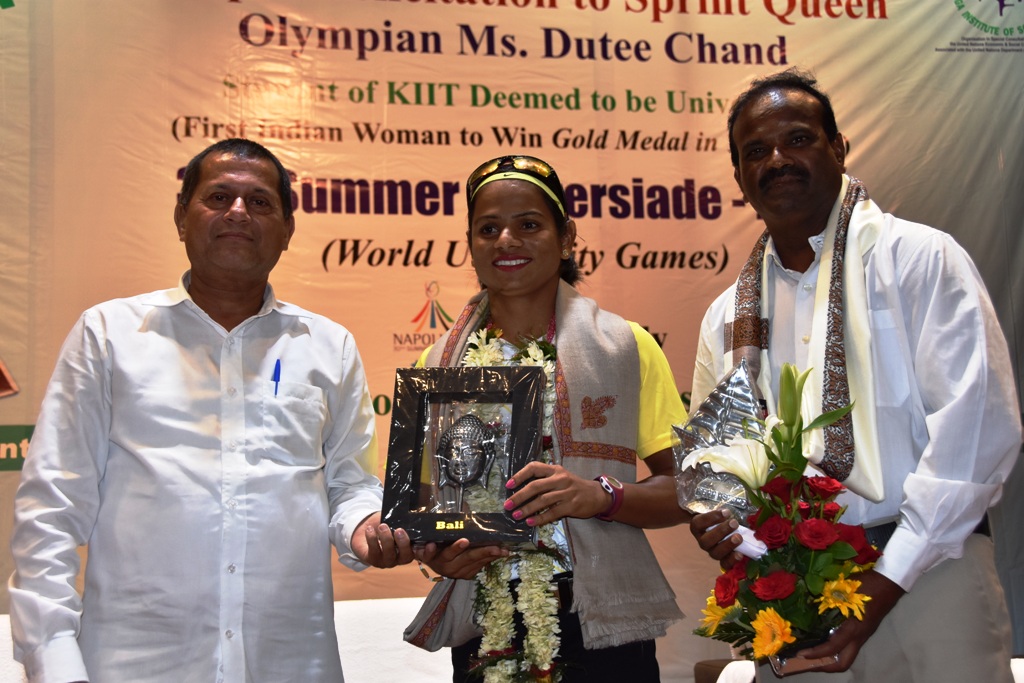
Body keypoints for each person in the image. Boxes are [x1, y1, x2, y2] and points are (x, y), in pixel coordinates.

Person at [8, 138, 414, 683]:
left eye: (260, 201)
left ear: (288, 230)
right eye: (219, 197)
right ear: (181, 217)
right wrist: (53, 660)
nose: (238, 212)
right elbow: (52, 509)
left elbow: (351, 483)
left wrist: (365, 524)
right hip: (135, 664)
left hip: (289, 660)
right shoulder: (109, 335)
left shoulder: (328, 345)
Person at [689, 69, 1020, 681]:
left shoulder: (917, 259)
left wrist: (889, 577)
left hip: (931, 578)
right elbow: (714, 459)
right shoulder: (726, 317)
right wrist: (721, 520)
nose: (777, 160)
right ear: (738, 177)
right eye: (755, 151)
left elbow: (977, 432)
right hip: (792, 595)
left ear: (839, 148)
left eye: (798, 139)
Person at [406, 155, 689, 682]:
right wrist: (437, 555)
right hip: (484, 623)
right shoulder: (438, 365)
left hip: (601, 626)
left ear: (566, 238)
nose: (506, 240)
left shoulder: (627, 348)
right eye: (488, 228)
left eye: (529, 224)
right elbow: (424, 515)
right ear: (470, 244)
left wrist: (603, 497)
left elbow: (687, 490)